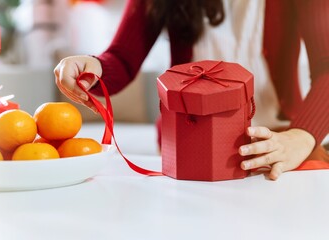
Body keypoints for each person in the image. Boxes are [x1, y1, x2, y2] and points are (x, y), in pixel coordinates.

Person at [54, 0, 329, 180]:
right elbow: (123, 59)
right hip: (189, 145)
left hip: (278, 142)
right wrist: (94, 67)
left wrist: (301, 137)